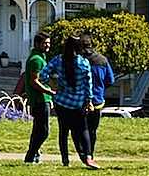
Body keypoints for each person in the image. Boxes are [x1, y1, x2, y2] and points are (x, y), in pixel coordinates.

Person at [42, 35, 100, 169]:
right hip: (78, 103)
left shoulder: (58, 60)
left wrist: (54, 84)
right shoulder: (83, 63)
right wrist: (89, 101)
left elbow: (43, 75)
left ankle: (65, 159)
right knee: (83, 129)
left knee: (63, 132)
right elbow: (88, 85)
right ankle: (88, 157)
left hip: (62, 102)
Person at [21, 33, 54, 164]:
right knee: (43, 131)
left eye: (49, 43)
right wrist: (49, 92)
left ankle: (33, 154)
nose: (48, 46)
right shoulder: (36, 60)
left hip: (42, 99)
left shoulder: (40, 57)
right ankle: (31, 154)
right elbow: (34, 81)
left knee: (37, 131)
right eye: (45, 43)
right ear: (37, 44)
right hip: (39, 100)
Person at [83, 37, 116, 163]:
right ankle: (90, 153)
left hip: (81, 101)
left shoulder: (79, 60)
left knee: (82, 129)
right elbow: (110, 80)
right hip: (97, 100)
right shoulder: (102, 60)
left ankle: (84, 153)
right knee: (92, 130)